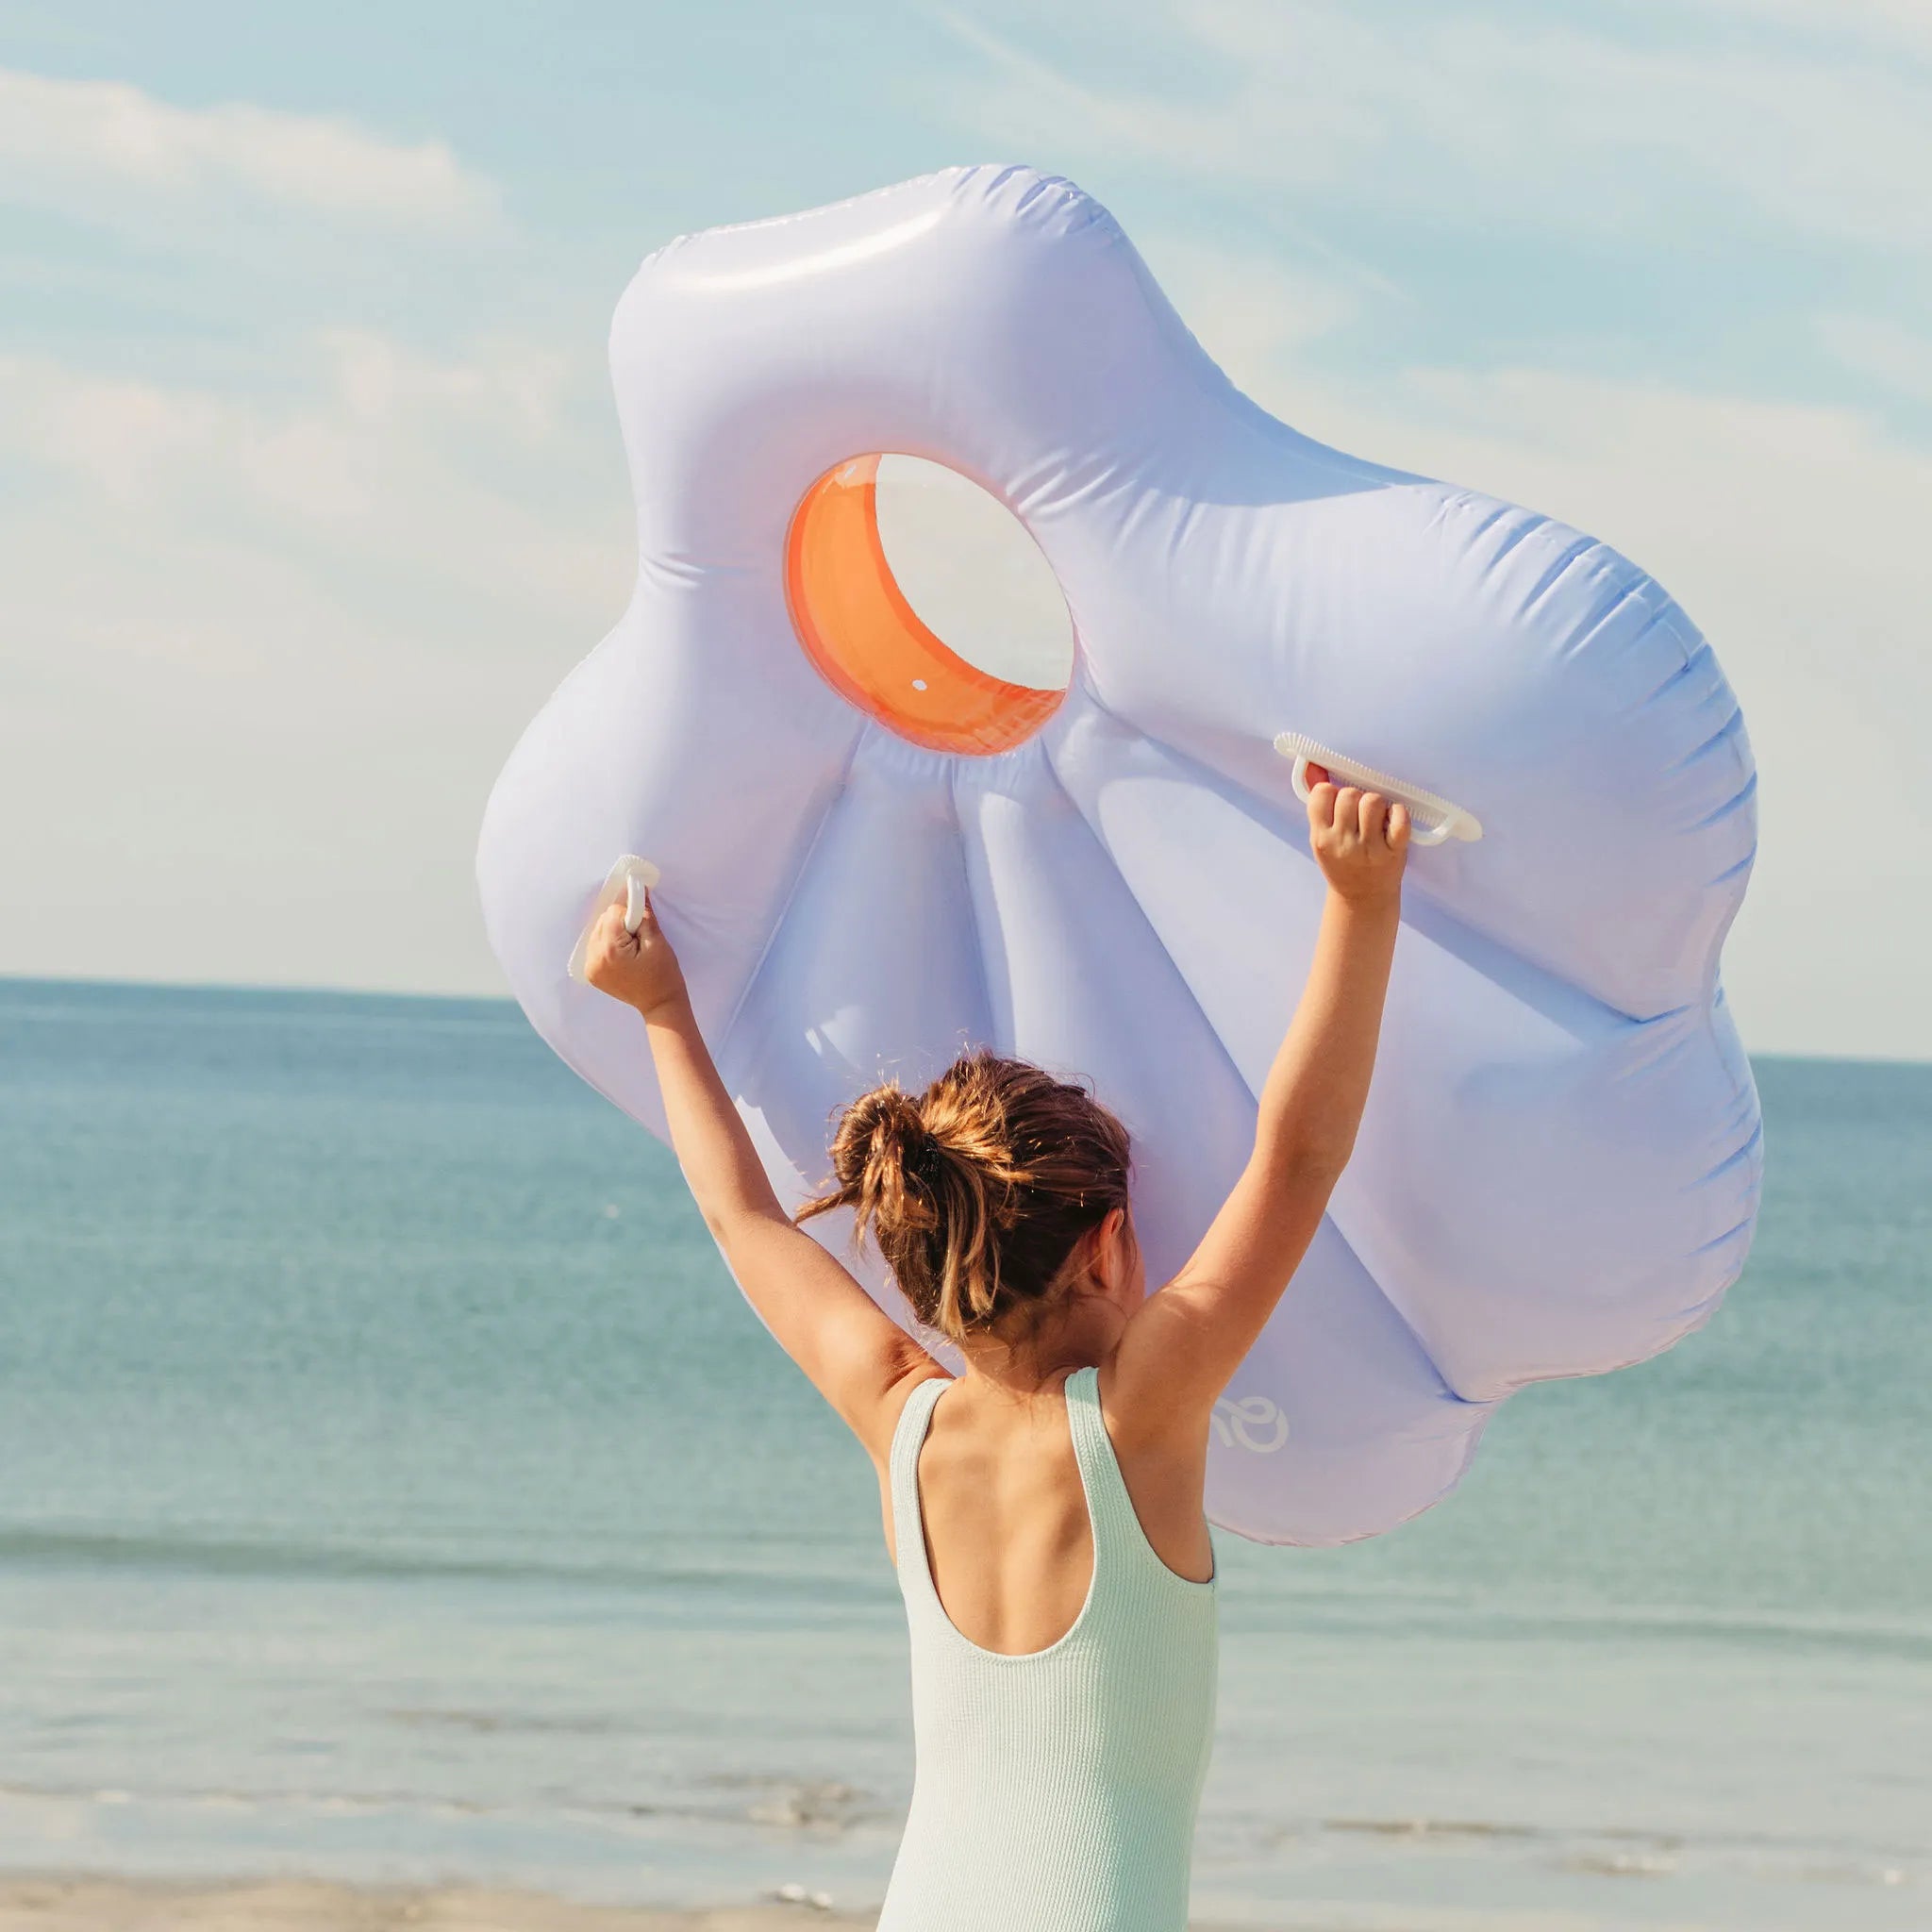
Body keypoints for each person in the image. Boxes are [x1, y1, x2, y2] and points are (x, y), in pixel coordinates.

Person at [582, 770, 1410, 1931]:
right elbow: (1295, 1155)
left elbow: (745, 1219)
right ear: (1107, 1245)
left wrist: (661, 1008)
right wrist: (1359, 902)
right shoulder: (1136, 1412)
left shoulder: (902, 1420)